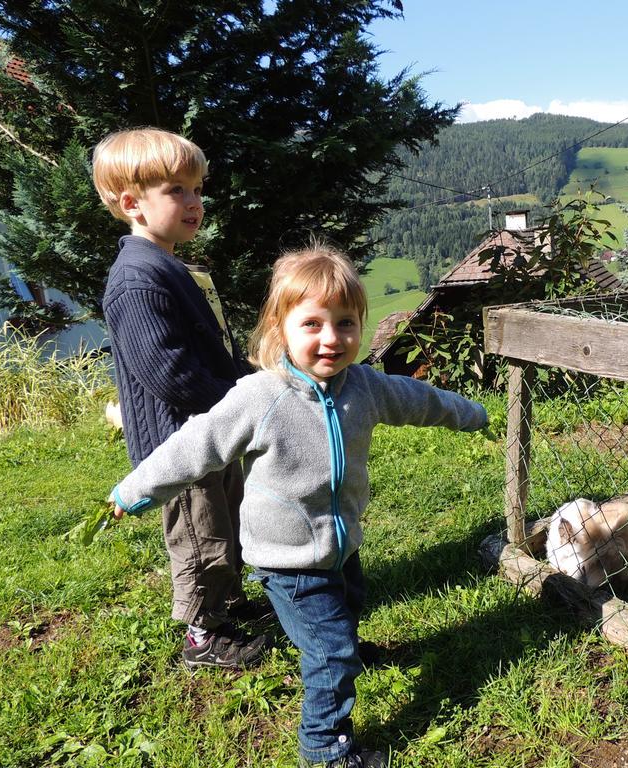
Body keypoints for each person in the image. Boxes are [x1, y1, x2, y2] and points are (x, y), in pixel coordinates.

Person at [108, 245, 490, 768]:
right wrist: (138, 488)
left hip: (340, 544)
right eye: (312, 323)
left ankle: (343, 650)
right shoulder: (260, 396)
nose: (331, 338)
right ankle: (324, 749)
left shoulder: (364, 387)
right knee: (328, 653)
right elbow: (195, 444)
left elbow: (418, 399)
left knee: (346, 611)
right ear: (279, 328)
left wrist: (468, 413)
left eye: (346, 322)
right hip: (286, 559)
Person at [93, 127, 267, 670]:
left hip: (210, 429)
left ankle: (225, 605)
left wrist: (247, 379)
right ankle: (202, 636)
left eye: (196, 189)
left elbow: (207, 347)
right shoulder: (138, 280)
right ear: (131, 204)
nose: (194, 203)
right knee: (200, 533)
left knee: (228, 517)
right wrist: (235, 400)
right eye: (176, 191)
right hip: (180, 440)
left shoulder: (169, 266)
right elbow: (169, 372)